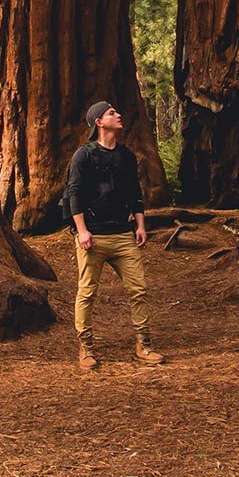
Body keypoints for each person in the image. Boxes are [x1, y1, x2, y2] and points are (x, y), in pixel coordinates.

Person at [65, 100, 163, 371]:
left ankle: (143, 344)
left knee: (139, 289)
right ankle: (85, 348)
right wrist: (82, 231)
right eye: (111, 113)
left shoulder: (126, 156)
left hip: (122, 235)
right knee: (87, 293)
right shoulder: (83, 156)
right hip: (92, 237)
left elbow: (135, 193)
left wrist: (140, 225)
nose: (118, 115)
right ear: (99, 122)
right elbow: (74, 194)